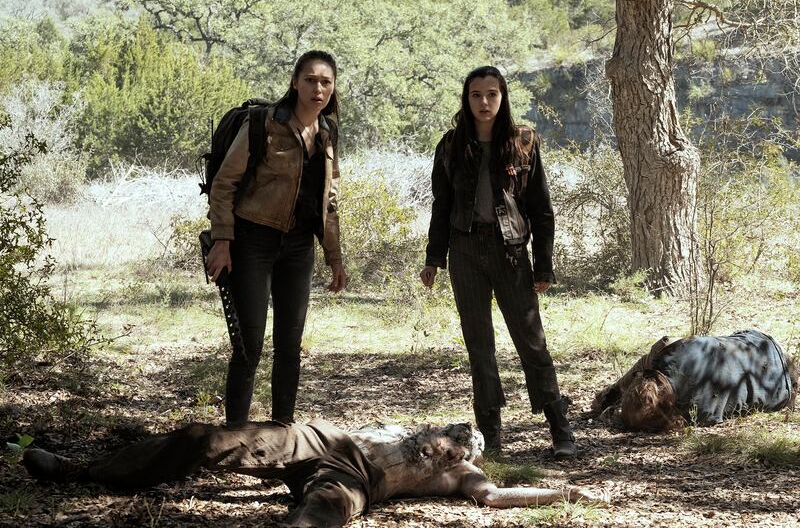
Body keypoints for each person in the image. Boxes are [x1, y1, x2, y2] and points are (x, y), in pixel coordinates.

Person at [22, 419, 610, 527]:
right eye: (453, 433)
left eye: (462, 446)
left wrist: (563, 492)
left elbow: (498, 496)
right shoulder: (405, 430)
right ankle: (80, 471)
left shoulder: (459, 478)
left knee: (322, 514)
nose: (452, 444)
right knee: (206, 440)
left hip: (359, 481)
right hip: (328, 440)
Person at [419, 66, 575, 458]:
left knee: (532, 342)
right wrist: (434, 258)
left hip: (511, 253)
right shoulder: (451, 146)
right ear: (466, 99)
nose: (484, 102)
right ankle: (491, 439)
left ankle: (561, 431)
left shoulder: (523, 141)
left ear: (502, 97)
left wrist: (543, 265)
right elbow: (442, 205)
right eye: (476, 95)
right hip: (465, 252)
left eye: (492, 94)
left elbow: (541, 208)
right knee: (480, 346)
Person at [205, 50, 348, 425]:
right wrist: (222, 241)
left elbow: (329, 202)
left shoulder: (328, 133)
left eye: (326, 82)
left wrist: (334, 258)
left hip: (299, 247)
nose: (318, 89)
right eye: (310, 80)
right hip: (253, 241)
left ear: (333, 88)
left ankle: (283, 430)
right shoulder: (264, 124)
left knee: (290, 345)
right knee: (249, 345)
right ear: (295, 82)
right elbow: (224, 184)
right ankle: (235, 434)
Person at [591, 329, 797, 431]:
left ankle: (610, 395)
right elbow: (663, 346)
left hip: (783, 390)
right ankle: (610, 393)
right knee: (657, 353)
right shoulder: (670, 355)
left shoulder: (696, 414)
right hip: (762, 345)